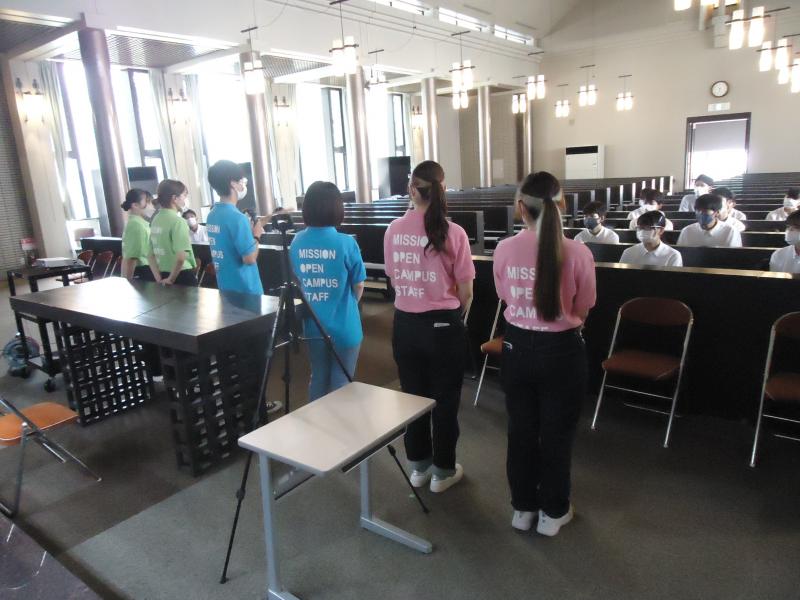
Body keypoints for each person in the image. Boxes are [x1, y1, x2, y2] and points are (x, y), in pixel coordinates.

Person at [493, 171, 596, 537]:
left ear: (521, 207)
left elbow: (504, 296)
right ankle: (553, 513)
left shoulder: (505, 249)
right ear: (562, 204)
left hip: (517, 347)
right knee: (557, 435)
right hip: (562, 352)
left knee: (521, 431)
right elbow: (584, 307)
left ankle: (523, 509)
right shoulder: (579, 251)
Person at [384, 160, 475, 494]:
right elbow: (466, 291)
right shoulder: (455, 232)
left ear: (412, 189)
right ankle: (442, 471)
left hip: (405, 324)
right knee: (445, 401)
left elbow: (394, 278)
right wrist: (451, 314)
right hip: (443, 328)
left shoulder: (393, 229)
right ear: (443, 189)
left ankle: (418, 466)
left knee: (413, 397)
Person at [289, 182, 366, 401]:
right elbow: (359, 284)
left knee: (318, 377)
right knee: (342, 382)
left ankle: (317, 422)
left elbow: (297, 279)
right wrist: (351, 303)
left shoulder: (297, 241)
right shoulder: (346, 243)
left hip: (313, 324)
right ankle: (339, 424)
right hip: (345, 323)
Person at [206, 161, 263, 295]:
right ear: (233, 183)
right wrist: (256, 235)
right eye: (242, 181)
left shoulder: (212, 215)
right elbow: (249, 259)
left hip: (225, 286)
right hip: (246, 290)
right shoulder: (238, 218)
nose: (243, 185)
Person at [148, 179, 198, 286]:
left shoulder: (155, 220)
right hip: (182, 275)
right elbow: (181, 257)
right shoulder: (178, 221)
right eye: (184, 196)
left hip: (163, 274)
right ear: (175, 198)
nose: (185, 200)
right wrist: (171, 279)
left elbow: (150, 255)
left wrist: (159, 279)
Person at [677, 193, 743, 248]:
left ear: (717, 213)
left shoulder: (730, 231)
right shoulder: (687, 231)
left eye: (705, 211)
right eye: (698, 210)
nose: (700, 214)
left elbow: (734, 255)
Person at [120, 188, 155, 281]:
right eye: (148, 202)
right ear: (135, 205)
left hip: (146, 269)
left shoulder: (139, 223)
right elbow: (132, 257)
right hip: (143, 271)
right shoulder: (136, 225)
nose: (152, 207)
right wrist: (128, 281)